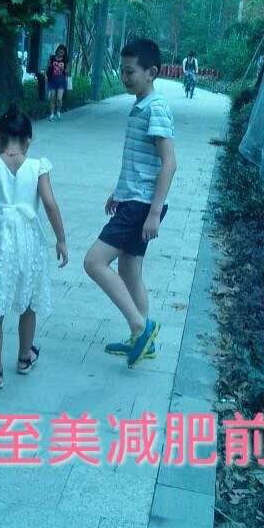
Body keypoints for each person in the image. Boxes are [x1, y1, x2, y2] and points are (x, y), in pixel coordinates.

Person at [0, 104, 68, 389]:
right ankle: (24, 358)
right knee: (28, 301)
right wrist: (61, 239)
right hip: (28, 238)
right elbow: (50, 204)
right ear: (29, 139)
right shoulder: (37, 166)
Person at [83, 38, 177, 368]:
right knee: (129, 268)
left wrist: (154, 213)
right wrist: (118, 192)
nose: (124, 77)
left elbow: (169, 163)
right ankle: (142, 339)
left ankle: (141, 327)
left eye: (130, 72)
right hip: (133, 199)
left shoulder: (155, 108)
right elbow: (141, 162)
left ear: (152, 72)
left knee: (94, 262)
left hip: (142, 205)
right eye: (122, 71)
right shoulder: (141, 105)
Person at [46, 44, 69, 121]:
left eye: (62, 52)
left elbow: (67, 71)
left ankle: (58, 111)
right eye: (60, 51)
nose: (61, 53)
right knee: (52, 98)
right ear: (57, 51)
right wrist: (46, 76)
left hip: (61, 80)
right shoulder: (52, 58)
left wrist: (63, 69)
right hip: (52, 80)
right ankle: (52, 114)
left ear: (64, 53)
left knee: (59, 98)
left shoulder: (65, 60)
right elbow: (47, 67)